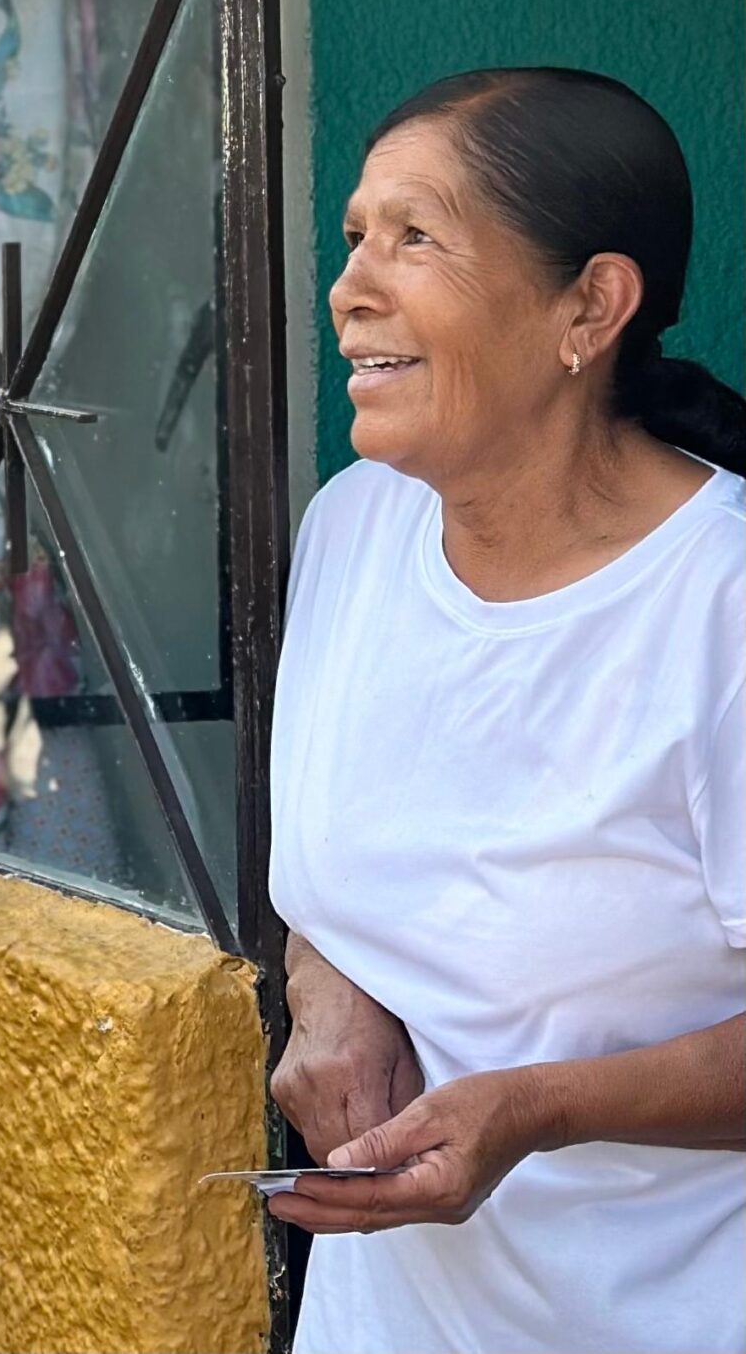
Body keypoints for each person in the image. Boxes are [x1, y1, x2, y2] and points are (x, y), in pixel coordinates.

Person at [266, 68, 745, 1354]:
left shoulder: (721, 607)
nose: (350, 286)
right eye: (355, 234)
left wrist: (538, 1107)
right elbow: (339, 879)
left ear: (588, 303)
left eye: (415, 237)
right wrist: (331, 994)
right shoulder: (353, 533)